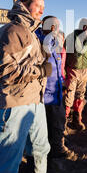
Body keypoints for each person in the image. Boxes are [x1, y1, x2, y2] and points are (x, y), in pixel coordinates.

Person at [0, 0, 52, 173]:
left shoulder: (31, 33)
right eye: (38, 5)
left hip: (34, 102)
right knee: (7, 163)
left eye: (43, 7)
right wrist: (40, 70)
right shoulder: (12, 31)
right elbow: (4, 71)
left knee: (40, 149)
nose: (42, 10)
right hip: (12, 106)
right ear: (23, 5)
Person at [35, 16, 73, 158]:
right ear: (52, 27)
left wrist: (62, 82)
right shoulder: (37, 40)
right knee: (44, 124)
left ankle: (56, 146)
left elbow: (58, 65)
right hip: (43, 92)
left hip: (55, 90)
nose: (58, 28)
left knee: (58, 119)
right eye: (57, 25)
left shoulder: (53, 40)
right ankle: (50, 151)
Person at [64, 18, 87, 131]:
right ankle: (64, 123)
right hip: (72, 70)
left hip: (84, 71)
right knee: (69, 97)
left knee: (80, 95)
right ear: (83, 27)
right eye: (86, 27)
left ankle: (77, 120)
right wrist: (64, 72)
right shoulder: (71, 38)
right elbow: (64, 55)